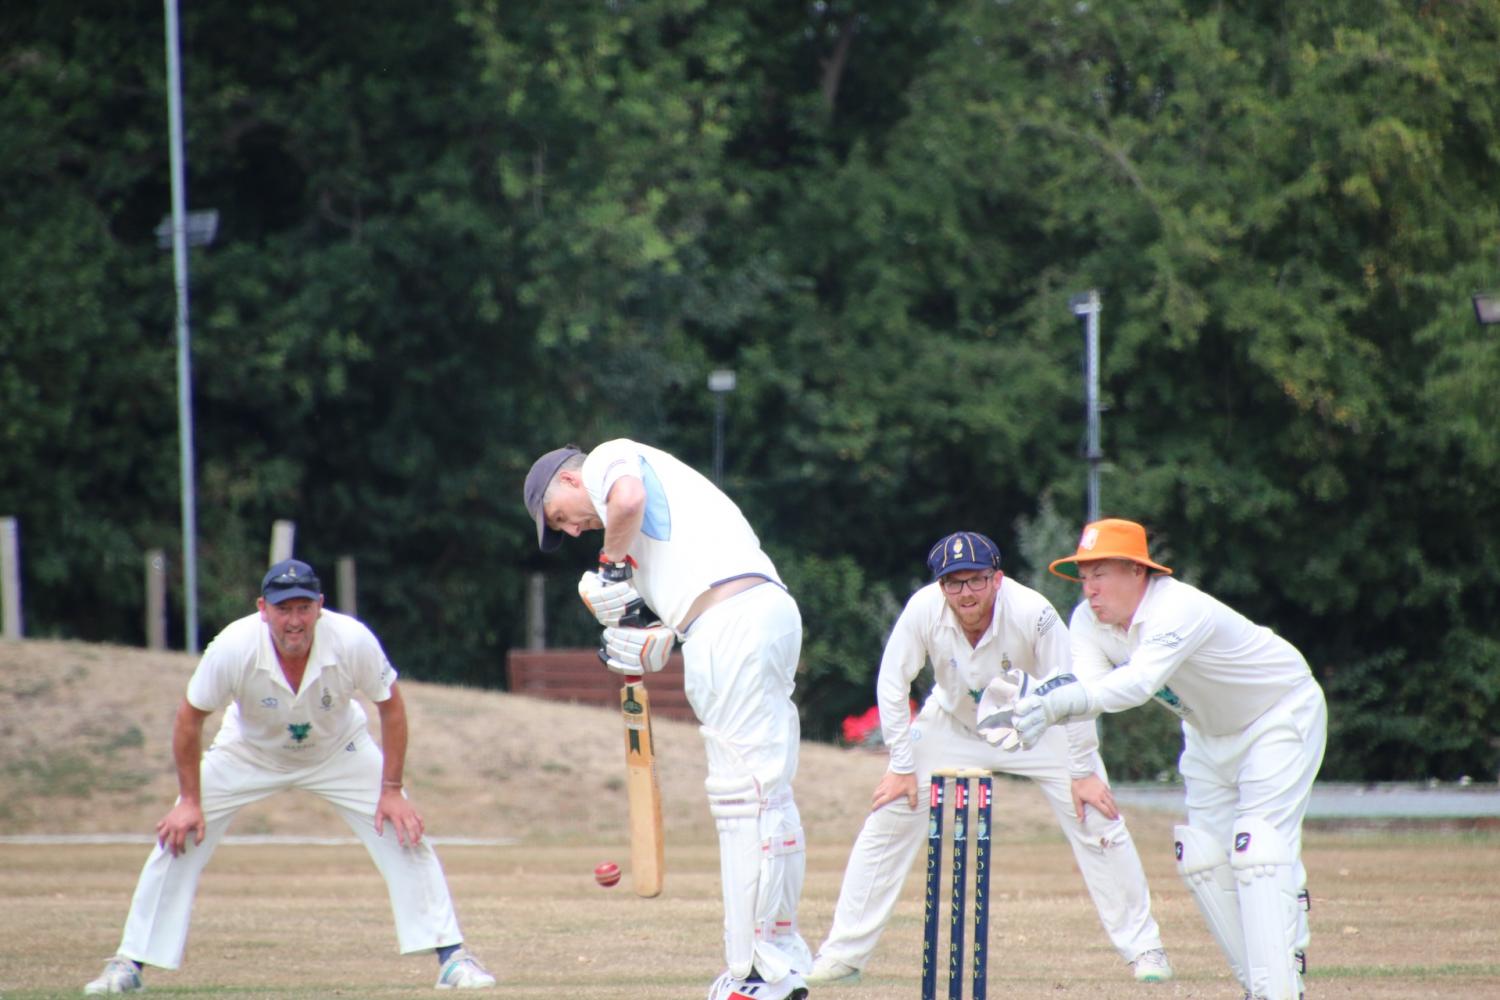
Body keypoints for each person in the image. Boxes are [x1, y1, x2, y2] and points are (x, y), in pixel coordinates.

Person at [83, 559, 495, 995]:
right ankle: (129, 963)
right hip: (248, 750)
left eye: (303, 608)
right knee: (178, 834)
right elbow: (190, 718)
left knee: (404, 828)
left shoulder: (351, 639)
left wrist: (391, 790)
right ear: (263, 608)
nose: (294, 621)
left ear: (320, 606)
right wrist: (189, 800)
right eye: (284, 609)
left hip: (340, 749)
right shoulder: (233, 646)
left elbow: (390, 705)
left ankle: (452, 958)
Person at [804, 531, 1172, 987]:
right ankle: (843, 956)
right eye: (954, 583)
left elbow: (1071, 688)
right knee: (888, 814)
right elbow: (891, 683)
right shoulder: (924, 609)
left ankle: (1145, 950)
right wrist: (901, 766)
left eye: (976, 580)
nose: (966, 593)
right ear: (942, 587)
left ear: (997, 578)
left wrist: (1082, 771)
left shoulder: (1034, 614)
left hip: (1039, 726)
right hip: (952, 723)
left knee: (1098, 818)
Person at [523, 440, 810, 1000]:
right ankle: (783, 953)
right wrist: (648, 636)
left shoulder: (608, 460)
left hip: (732, 625)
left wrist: (608, 571)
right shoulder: (665, 526)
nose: (574, 531)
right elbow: (679, 609)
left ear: (571, 480)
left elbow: (625, 500)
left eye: (561, 517)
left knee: (740, 801)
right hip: (756, 615)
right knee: (769, 795)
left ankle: (753, 972)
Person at [1015, 518, 1327, 1000]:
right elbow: (1089, 691)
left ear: (1138, 571)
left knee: (1258, 851)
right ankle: (1260, 982)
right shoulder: (1087, 621)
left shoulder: (1177, 608)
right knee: (1203, 858)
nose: (1090, 588)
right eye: (1084, 576)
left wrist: (1059, 701)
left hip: (1278, 713)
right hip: (1206, 733)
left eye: (1101, 574)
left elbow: (1136, 685)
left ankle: (1280, 987)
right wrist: (1050, 711)